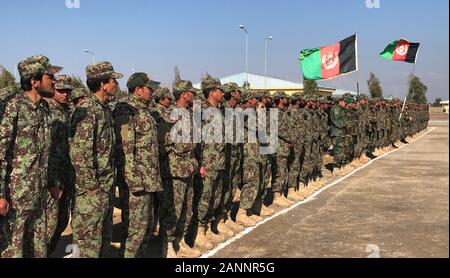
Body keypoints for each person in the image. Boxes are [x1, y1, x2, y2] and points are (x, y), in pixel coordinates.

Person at [0, 54, 62, 257]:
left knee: (38, 250)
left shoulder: (44, 109)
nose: (54, 81)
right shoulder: (12, 106)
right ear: (34, 81)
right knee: (14, 251)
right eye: (49, 76)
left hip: (39, 195)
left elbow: (46, 150)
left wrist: (52, 182)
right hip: (15, 198)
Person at [70, 61, 123, 258]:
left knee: (103, 242)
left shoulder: (104, 109)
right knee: (88, 246)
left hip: (105, 187)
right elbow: (79, 154)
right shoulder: (87, 110)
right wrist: (92, 187)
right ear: (102, 84)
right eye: (113, 80)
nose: (116, 84)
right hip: (91, 192)